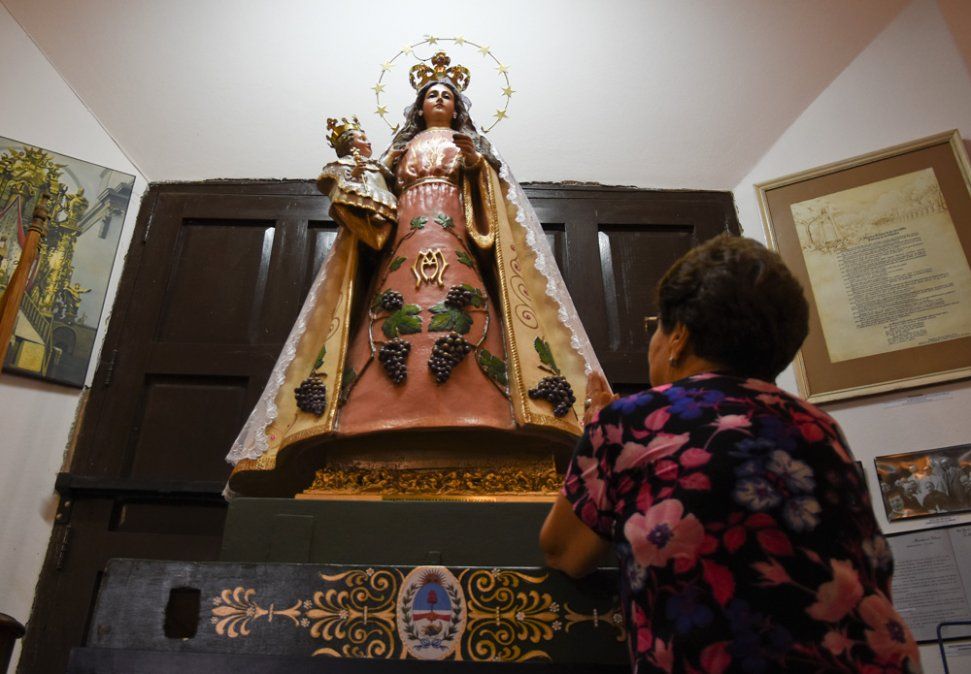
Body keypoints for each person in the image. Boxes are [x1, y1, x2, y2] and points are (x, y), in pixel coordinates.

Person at [540, 235, 921, 673]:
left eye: (656, 327)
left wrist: (596, 434)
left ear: (679, 337)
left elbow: (563, 552)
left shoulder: (631, 421)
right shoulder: (819, 426)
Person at [226, 52, 601, 496]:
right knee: (393, 308)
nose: (439, 99)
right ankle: (373, 415)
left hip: (454, 232)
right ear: (419, 106)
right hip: (405, 237)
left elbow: (493, 209)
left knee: (462, 303)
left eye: (446, 95)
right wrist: (358, 171)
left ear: (457, 107)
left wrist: (476, 166)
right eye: (431, 94)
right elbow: (377, 196)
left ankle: (483, 411)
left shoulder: (472, 146)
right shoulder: (400, 150)